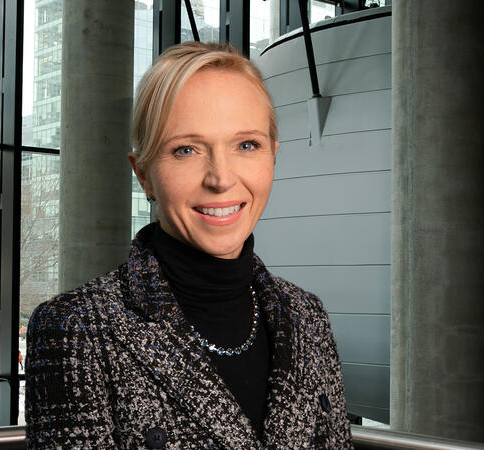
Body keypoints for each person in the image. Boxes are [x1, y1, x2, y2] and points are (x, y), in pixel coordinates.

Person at [25, 41, 353, 449]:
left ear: (273, 156)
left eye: (246, 145)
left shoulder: (307, 317)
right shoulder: (77, 328)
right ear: (144, 174)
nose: (221, 178)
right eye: (186, 150)